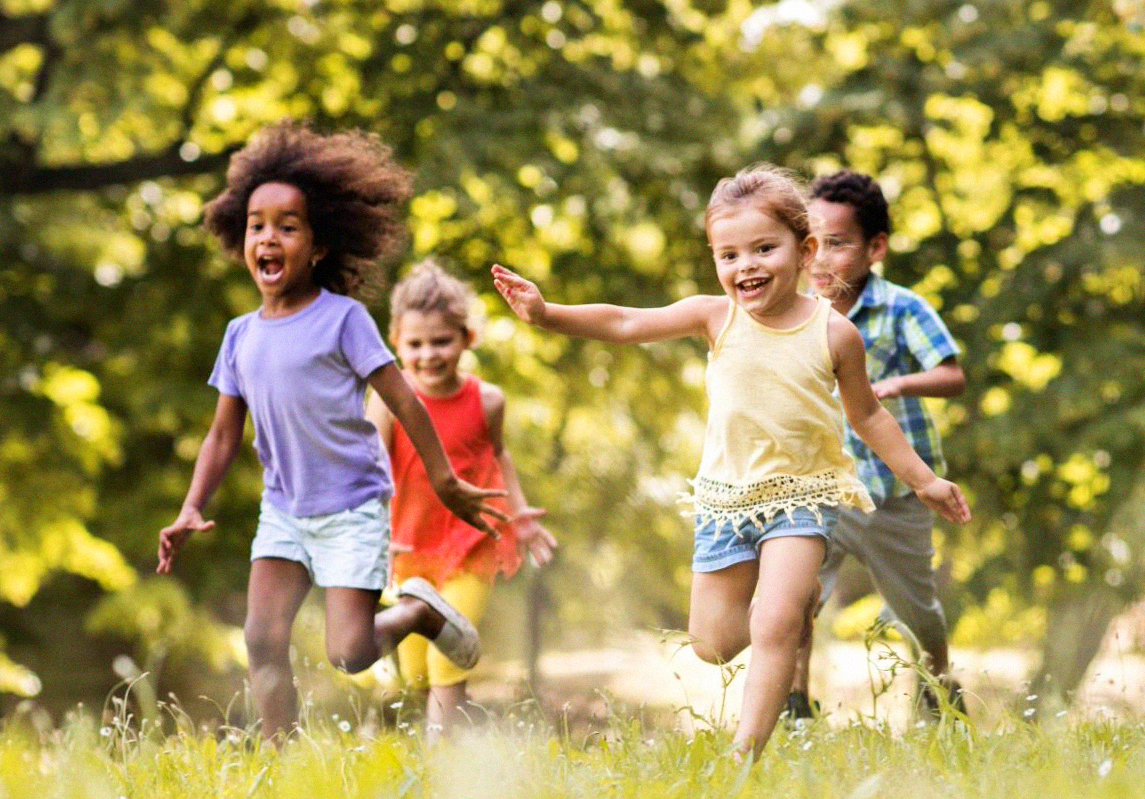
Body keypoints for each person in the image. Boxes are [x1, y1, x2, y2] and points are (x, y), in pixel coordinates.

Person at [491, 163, 972, 759]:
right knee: (712, 644)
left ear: (806, 249)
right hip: (727, 500)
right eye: (729, 254)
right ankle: (784, 610)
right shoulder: (715, 316)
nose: (745, 266)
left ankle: (743, 753)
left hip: (803, 496)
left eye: (764, 249)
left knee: (774, 626)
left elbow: (868, 415)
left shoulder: (835, 333)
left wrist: (923, 481)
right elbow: (624, 321)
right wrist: (547, 314)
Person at [156, 121, 507, 741]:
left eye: (287, 226)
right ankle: (280, 759)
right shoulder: (240, 335)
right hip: (285, 509)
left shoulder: (342, 319)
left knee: (349, 654)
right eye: (257, 225)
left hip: (350, 507)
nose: (268, 237)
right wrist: (190, 506)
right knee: (262, 638)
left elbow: (406, 401)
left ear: (318, 246)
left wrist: (445, 479)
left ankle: (418, 610)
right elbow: (220, 436)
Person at [787, 169, 967, 721]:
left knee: (918, 610)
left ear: (876, 247)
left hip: (893, 492)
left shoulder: (901, 308)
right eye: (812, 244)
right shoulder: (794, 314)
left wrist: (896, 384)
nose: (820, 260)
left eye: (838, 245)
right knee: (796, 598)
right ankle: (795, 704)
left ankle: (940, 695)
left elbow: (951, 374)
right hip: (820, 489)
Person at [365, 260, 556, 736]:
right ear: (396, 341)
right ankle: (459, 739)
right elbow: (368, 467)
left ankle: (442, 766)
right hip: (408, 550)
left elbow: (499, 455)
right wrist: (370, 533)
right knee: (416, 674)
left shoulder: (487, 400)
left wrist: (521, 516)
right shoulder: (390, 399)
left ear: (467, 336)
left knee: (448, 659)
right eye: (415, 344)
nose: (428, 354)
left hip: (470, 546)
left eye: (441, 341)